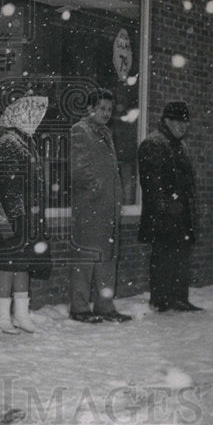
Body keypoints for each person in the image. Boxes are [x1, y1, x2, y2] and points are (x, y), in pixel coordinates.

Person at [69, 88, 132, 323]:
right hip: (89, 208)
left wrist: (116, 197)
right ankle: (79, 307)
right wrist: (96, 189)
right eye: (102, 108)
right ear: (90, 109)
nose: (106, 113)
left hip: (108, 208)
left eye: (109, 109)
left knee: (107, 259)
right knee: (85, 259)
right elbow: (78, 168)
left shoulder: (106, 133)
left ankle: (105, 305)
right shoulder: (79, 131)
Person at [0, 93, 49, 334]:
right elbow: (8, 185)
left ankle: (21, 313)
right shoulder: (10, 142)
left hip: (26, 215)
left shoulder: (25, 140)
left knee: (22, 264)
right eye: (33, 115)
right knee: (8, 264)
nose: (36, 119)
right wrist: (12, 222)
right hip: (13, 215)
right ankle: (3, 315)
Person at [137, 100, 202, 313]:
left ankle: (179, 297)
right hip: (163, 216)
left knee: (181, 257)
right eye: (177, 121)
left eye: (186, 122)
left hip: (181, 214)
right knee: (163, 257)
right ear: (166, 121)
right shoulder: (153, 144)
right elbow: (152, 184)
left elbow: (188, 181)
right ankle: (161, 300)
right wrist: (166, 205)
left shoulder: (180, 146)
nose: (183, 126)